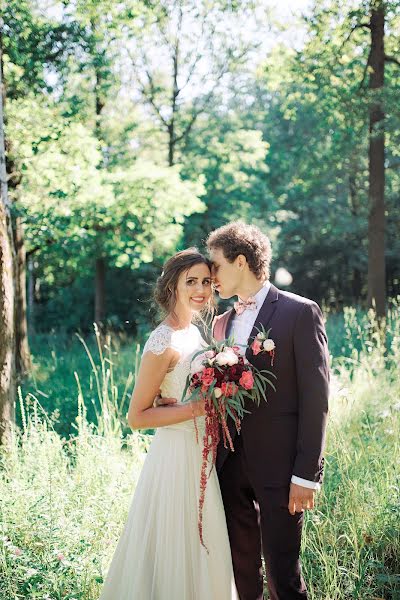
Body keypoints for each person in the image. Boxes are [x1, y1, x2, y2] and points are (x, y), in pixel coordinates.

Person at [99, 248, 239, 600]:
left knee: (203, 546)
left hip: (202, 456)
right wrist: (201, 409)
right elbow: (137, 416)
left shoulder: (194, 332)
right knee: (175, 548)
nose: (201, 289)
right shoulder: (162, 340)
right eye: (191, 281)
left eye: (206, 281)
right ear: (172, 286)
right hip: (175, 457)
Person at [207, 221, 330, 600]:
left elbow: (317, 398)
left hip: (281, 468)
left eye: (216, 266)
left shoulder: (298, 312)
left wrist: (307, 475)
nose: (211, 277)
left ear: (240, 262)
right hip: (228, 466)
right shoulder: (220, 323)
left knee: (283, 577)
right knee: (242, 575)